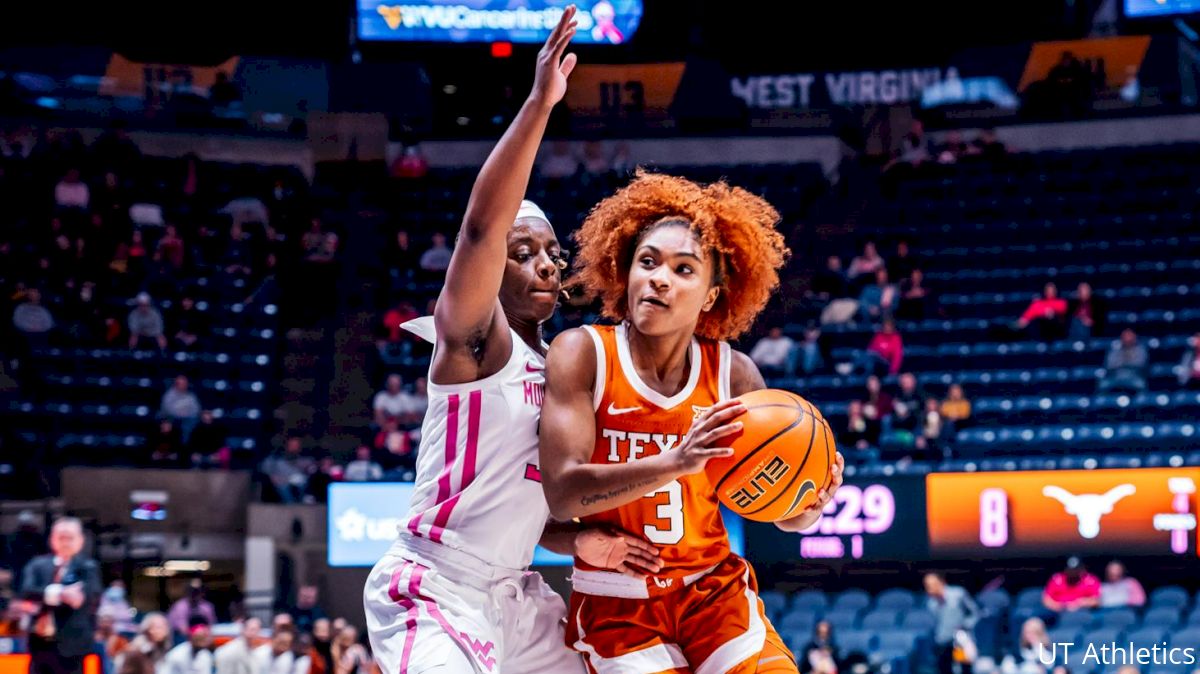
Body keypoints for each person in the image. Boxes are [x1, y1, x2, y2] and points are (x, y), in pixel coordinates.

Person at [363, 11, 659, 674]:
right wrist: (537, 105)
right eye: (523, 253)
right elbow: (478, 232)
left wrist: (585, 541)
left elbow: (525, 510)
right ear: (490, 273)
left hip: (516, 590)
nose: (548, 264)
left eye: (554, 252)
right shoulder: (474, 345)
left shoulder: (564, 371)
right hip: (434, 586)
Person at [539, 170, 845, 673]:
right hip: (619, 602)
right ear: (626, 271)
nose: (660, 277)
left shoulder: (734, 374)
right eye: (648, 262)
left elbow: (773, 509)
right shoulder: (583, 352)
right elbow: (563, 494)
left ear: (710, 296)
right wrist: (677, 461)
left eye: (684, 269)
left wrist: (809, 503)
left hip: (712, 590)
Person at [20, 517, 102, 674]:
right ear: (52, 539)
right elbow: (26, 591)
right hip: (39, 645)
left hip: (71, 648)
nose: (65, 542)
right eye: (61, 537)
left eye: (70, 537)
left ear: (80, 540)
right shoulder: (38, 565)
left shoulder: (87, 567)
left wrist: (45, 594)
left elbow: (84, 598)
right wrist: (60, 593)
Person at [925, 572, 979, 674]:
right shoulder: (931, 604)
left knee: (965, 669)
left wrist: (965, 625)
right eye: (927, 586)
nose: (929, 589)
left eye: (932, 585)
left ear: (942, 582)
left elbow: (975, 613)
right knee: (944, 669)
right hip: (942, 643)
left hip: (960, 641)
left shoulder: (958, 594)